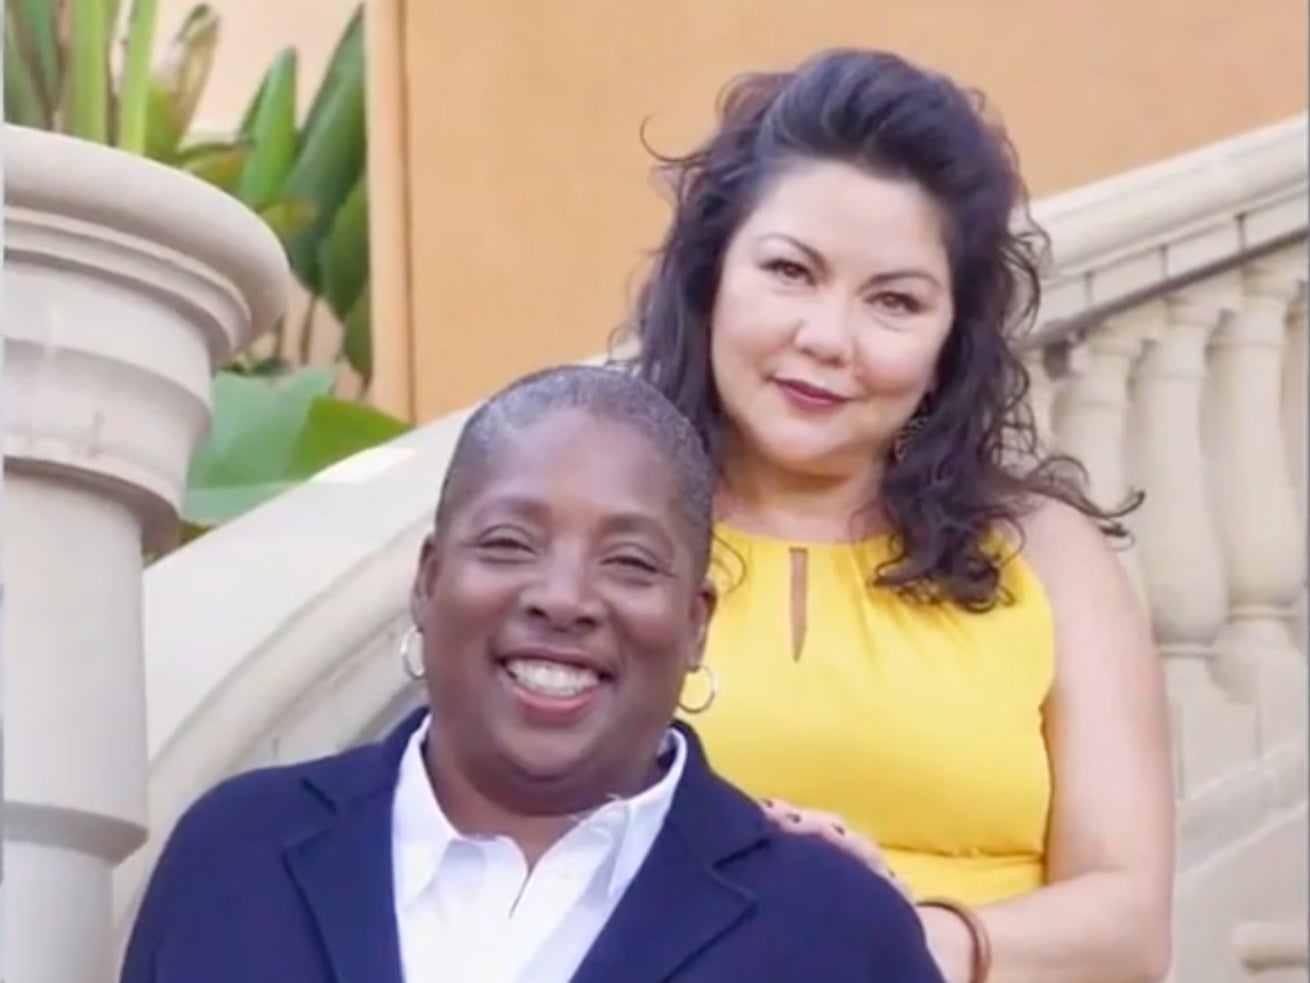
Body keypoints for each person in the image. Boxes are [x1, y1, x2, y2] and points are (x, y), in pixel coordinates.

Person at [621, 48, 1174, 983]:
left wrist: (897, 934)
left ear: (948, 345)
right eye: (791, 271)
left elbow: (1129, 928)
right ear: (712, 276)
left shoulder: (1046, 553)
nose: (828, 338)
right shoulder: (611, 531)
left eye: (894, 301)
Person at [119, 365, 947, 983]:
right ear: (430, 578)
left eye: (629, 560)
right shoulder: (238, 857)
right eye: (510, 543)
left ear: (696, 623)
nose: (563, 597)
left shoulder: (834, 932)